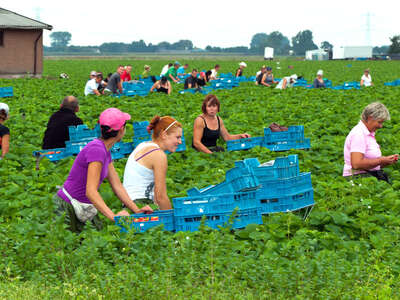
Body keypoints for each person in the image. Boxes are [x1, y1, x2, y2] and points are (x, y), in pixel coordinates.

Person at [54, 108, 153, 233]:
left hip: (83, 206)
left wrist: (137, 211)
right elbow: (90, 191)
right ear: (122, 130)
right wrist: (114, 217)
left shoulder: (105, 150)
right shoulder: (97, 150)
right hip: (68, 206)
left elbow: (117, 186)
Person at [123, 116, 182, 209]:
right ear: (164, 134)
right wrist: (171, 218)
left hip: (129, 204)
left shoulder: (143, 145)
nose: (180, 141)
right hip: (141, 203)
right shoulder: (158, 155)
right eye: (177, 137)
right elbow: (160, 197)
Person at [343, 102, 397, 182]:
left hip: (367, 176)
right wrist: (380, 160)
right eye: (379, 122)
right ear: (369, 118)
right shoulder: (359, 134)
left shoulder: (368, 133)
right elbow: (356, 164)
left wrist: (386, 161)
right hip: (358, 178)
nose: (381, 126)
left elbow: (371, 163)